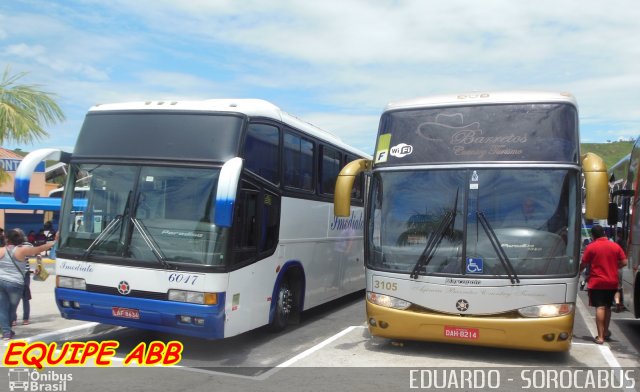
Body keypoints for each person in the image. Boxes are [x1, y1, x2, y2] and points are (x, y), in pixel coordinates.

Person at [0, 229, 57, 340]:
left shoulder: (1, 250)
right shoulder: (21, 250)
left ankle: (6, 331)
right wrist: (54, 242)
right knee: (12, 309)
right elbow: (39, 249)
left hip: (1, 281)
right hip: (15, 283)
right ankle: (7, 331)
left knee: (2, 308)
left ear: (6, 239)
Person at [580, 224, 627, 344]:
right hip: (612, 281)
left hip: (597, 282)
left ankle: (600, 337)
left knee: (600, 307)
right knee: (607, 307)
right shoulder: (615, 246)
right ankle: (605, 332)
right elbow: (624, 261)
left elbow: (584, 264)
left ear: (593, 235)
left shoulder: (591, 247)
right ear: (604, 233)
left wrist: (577, 273)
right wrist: (614, 267)